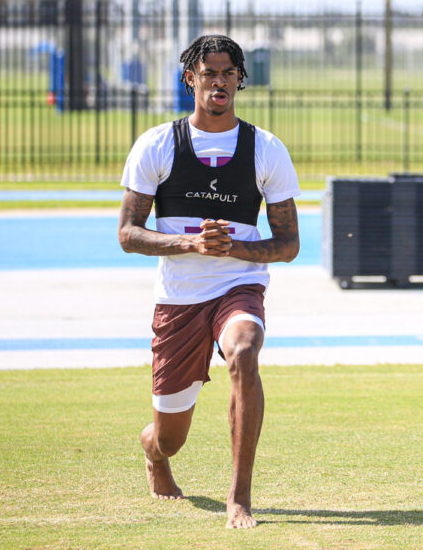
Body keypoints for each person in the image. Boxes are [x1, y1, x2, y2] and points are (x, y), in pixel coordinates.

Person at [117, 34, 301, 529]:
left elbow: (287, 245)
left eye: (228, 73)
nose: (218, 82)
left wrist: (231, 249)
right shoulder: (157, 144)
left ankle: (239, 496)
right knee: (170, 436)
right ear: (189, 79)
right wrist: (191, 244)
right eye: (208, 72)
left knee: (245, 350)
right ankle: (154, 453)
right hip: (178, 298)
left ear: (241, 79)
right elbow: (128, 234)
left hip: (238, 285)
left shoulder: (265, 148)